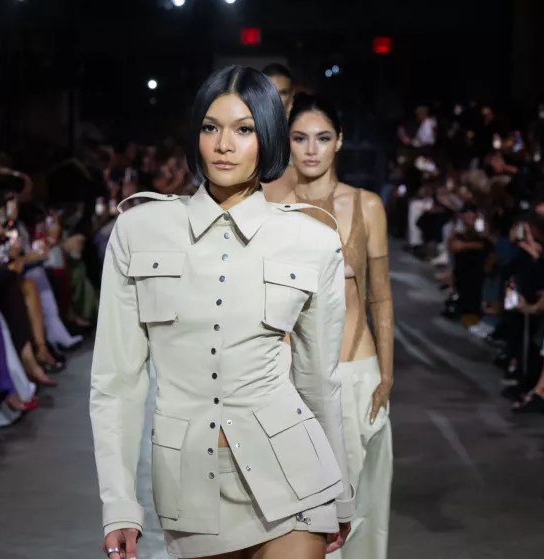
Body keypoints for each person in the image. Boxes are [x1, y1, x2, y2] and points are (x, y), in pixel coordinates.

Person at [90, 65, 354, 559]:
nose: (224, 144)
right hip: (192, 486)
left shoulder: (311, 240)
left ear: (268, 138)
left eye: (244, 129)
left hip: (295, 477)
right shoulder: (140, 229)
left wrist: (340, 490)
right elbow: (117, 382)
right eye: (211, 127)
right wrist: (119, 505)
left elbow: (319, 379)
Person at [286, 93, 394, 559]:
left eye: (323, 138)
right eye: (300, 138)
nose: (312, 149)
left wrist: (387, 374)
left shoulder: (367, 205)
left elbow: (380, 294)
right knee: (300, 512)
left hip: (356, 372)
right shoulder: (269, 205)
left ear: (340, 142)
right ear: (286, 143)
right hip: (289, 380)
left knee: (362, 510)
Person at [262, 63, 298, 205]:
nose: (275, 99)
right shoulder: (243, 138)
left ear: (291, 97)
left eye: (282, 93)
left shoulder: (305, 139)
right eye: (270, 92)